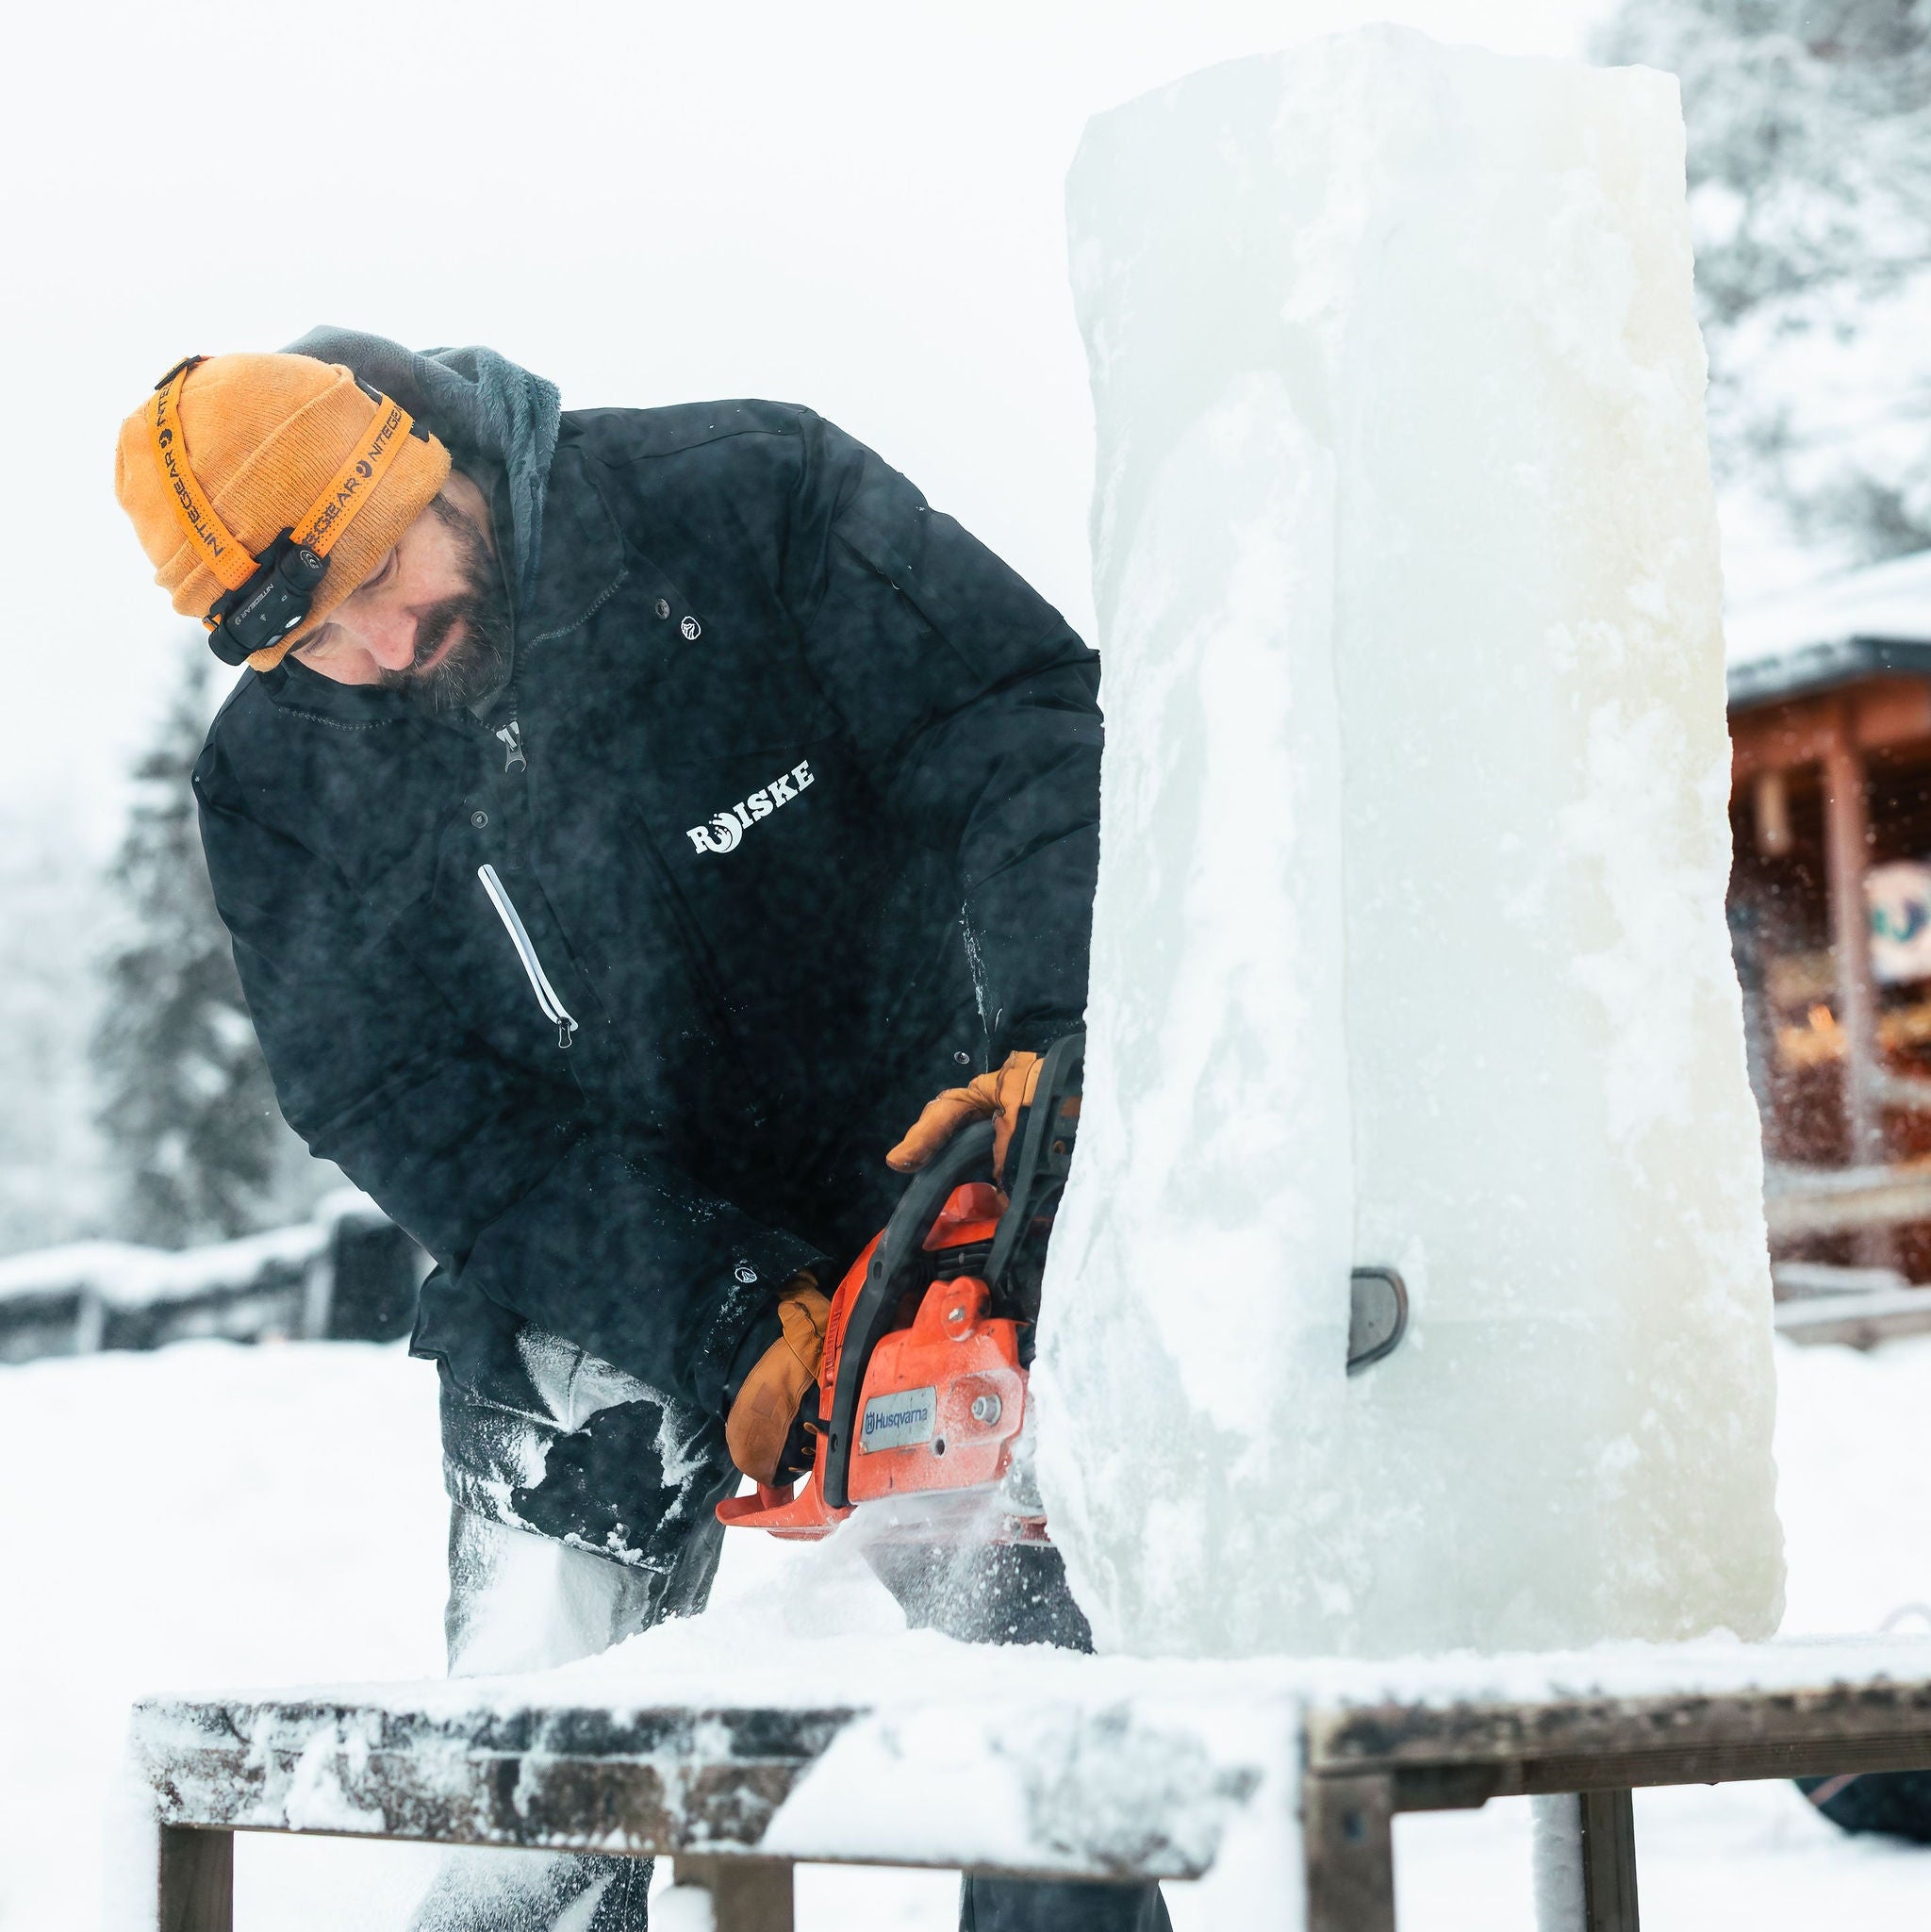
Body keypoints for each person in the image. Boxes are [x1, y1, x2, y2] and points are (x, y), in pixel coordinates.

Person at [114, 333, 1164, 1932]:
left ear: (426, 456)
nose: (387, 641)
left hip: (937, 1163)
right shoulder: (278, 784)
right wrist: (701, 1299)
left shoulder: (743, 502)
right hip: (603, 1253)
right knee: (536, 1787)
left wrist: (1050, 1026)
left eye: (389, 567)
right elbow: (393, 1093)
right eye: (322, 634)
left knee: (1042, 1713)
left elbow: (1017, 725)